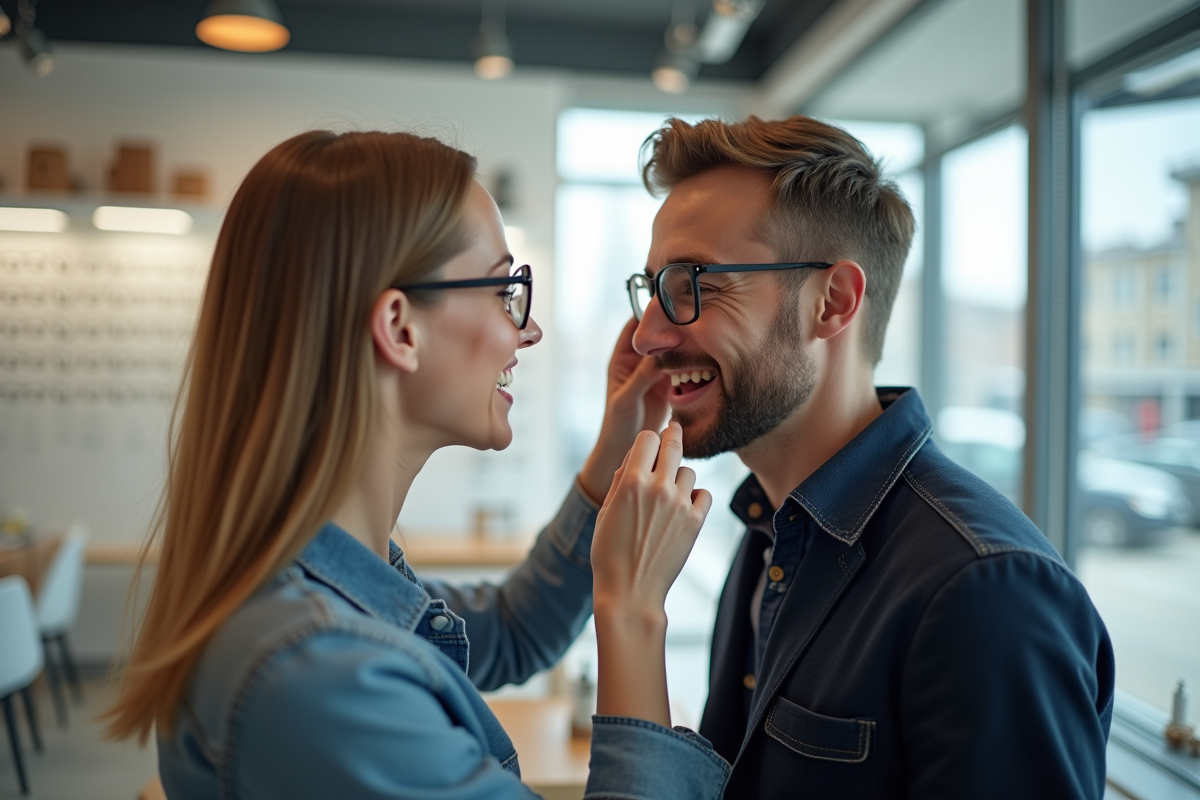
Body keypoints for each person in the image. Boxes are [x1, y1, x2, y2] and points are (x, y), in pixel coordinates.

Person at [102, 130, 730, 799]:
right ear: (401, 329)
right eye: (504, 290)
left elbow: (515, 630)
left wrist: (612, 454)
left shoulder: (327, 589)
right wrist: (631, 610)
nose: (529, 330)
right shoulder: (321, 676)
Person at [600, 115, 1115, 798]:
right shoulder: (768, 535)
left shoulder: (987, 591)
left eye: (695, 282)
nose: (647, 335)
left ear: (833, 302)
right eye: (654, 288)